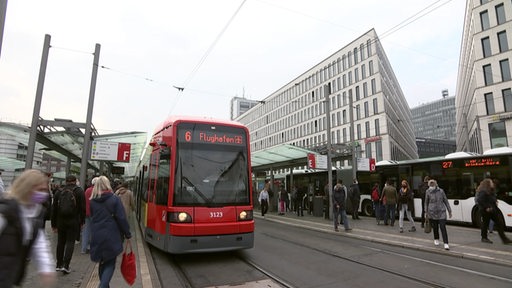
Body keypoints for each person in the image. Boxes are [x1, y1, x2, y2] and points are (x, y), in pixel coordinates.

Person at [0, 169, 56, 287]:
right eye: (40, 190)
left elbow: (39, 243)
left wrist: (46, 268)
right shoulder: (6, 210)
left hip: (11, 276)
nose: (44, 194)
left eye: (45, 190)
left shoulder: (36, 213)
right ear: (27, 188)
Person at [89, 176, 132, 288]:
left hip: (97, 234)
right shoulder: (114, 199)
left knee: (101, 261)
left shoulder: (93, 200)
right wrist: (127, 234)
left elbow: (92, 216)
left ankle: (104, 286)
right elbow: (121, 218)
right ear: (108, 184)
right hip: (111, 234)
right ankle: (102, 286)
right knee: (110, 263)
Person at [51, 175, 85, 274]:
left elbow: (54, 209)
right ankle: (66, 266)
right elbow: (82, 209)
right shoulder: (79, 191)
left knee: (60, 242)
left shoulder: (59, 191)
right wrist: (82, 222)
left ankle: (58, 264)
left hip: (60, 221)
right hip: (73, 221)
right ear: (75, 181)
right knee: (70, 242)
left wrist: (54, 224)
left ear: (66, 181)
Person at [476, 178, 512, 244]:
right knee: (486, 224)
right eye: (491, 182)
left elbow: (491, 198)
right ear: (488, 184)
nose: (492, 183)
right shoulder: (483, 191)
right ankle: (484, 238)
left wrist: (495, 201)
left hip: (492, 210)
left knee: (499, 223)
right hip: (486, 211)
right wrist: (486, 207)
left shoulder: (490, 190)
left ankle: (504, 239)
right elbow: (479, 200)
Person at [425, 179, 452, 250]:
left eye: (432, 185)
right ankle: (436, 238)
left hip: (441, 211)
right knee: (435, 227)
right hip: (432, 212)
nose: (431, 186)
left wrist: (449, 211)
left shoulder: (441, 191)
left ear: (436, 184)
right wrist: (426, 212)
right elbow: (426, 202)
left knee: (443, 227)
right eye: (430, 185)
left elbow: (445, 201)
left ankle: (446, 243)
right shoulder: (427, 192)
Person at [81, 177, 98, 254]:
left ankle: (84, 249)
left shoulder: (87, 190)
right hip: (95, 214)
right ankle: (92, 248)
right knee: (94, 231)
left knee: (86, 231)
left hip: (87, 213)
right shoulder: (98, 191)